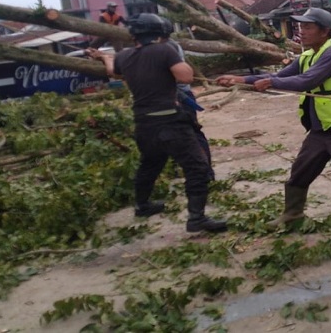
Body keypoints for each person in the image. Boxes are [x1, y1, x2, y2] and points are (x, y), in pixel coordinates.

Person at [216, 7, 331, 249]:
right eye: (299, 26)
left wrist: (272, 82)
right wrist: (240, 80)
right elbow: (283, 74)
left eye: (307, 27)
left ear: (325, 31)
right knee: (299, 174)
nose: (300, 31)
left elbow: (307, 81)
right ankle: (293, 214)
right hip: (320, 128)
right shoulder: (307, 55)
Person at [86, 13, 226, 233]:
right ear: (160, 33)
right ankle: (196, 218)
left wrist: (104, 57)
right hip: (170, 121)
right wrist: (176, 60)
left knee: (150, 164)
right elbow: (186, 77)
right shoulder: (164, 50)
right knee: (197, 167)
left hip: (143, 123)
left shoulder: (123, 56)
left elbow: (114, 72)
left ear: (134, 35)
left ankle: (142, 205)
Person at [167, 40, 214, 182]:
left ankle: (205, 172)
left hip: (178, 96)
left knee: (191, 134)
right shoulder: (157, 47)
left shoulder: (168, 47)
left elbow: (184, 77)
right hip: (167, 97)